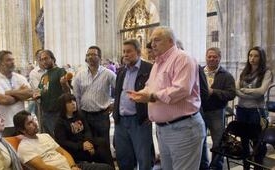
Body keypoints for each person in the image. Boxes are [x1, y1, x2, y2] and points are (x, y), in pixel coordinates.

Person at [128, 26, 206, 170]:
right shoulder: (158, 63)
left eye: (157, 40)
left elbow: (181, 90)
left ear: (170, 41)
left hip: (183, 128)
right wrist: (141, 94)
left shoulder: (183, 58)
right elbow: (150, 86)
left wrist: (151, 96)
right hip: (164, 129)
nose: (152, 44)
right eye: (152, 41)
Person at [14, 110, 113, 170]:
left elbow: (64, 152)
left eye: (34, 120)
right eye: (30, 123)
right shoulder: (24, 147)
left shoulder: (45, 136)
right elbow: (43, 168)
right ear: (22, 130)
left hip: (71, 166)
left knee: (106, 168)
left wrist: (73, 166)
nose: (35, 123)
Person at [112, 39, 153, 170]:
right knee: (123, 158)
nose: (125, 54)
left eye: (129, 51)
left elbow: (154, 93)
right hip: (121, 122)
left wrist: (149, 115)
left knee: (144, 159)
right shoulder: (121, 71)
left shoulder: (149, 69)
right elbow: (118, 95)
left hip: (139, 121)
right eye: (124, 52)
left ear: (139, 52)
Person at [72, 46, 115, 167]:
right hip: (85, 115)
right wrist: (78, 114)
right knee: (88, 144)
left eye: (94, 54)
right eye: (88, 55)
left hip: (101, 115)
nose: (90, 57)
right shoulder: (80, 75)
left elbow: (120, 89)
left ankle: (107, 167)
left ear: (100, 57)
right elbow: (76, 95)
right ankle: (94, 167)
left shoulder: (108, 74)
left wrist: (113, 104)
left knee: (104, 145)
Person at [236, 46, 272, 170]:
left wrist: (245, 90)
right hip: (241, 109)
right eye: (250, 55)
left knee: (257, 142)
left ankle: (258, 167)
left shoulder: (266, 72)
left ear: (261, 57)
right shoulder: (244, 71)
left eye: (256, 56)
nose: (252, 58)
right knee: (244, 141)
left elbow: (261, 91)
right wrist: (250, 93)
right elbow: (236, 89)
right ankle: (246, 166)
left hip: (256, 111)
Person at [199, 47, 236, 170]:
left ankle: (216, 166)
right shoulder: (199, 71)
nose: (211, 59)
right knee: (201, 140)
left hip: (217, 112)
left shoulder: (226, 75)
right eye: (209, 56)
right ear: (206, 57)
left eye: (214, 57)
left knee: (218, 142)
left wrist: (213, 92)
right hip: (200, 112)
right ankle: (203, 165)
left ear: (219, 58)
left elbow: (231, 94)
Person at [54, 93, 114, 168]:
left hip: (85, 143)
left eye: (74, 100)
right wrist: (81, 146)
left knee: (102, 143)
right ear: (63, 106)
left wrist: (88, 142)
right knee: (100, 151)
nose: (73, 103)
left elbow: (87, 130)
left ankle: (111, 167)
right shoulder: (60, 123)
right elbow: (63, 142)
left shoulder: (79, 115)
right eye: (69, 102)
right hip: (75, 149)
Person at [0, 50, 33, 136]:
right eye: (8, 60)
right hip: (5, 123)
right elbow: (3, 100)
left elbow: (30, 93)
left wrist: (8, 92)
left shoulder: (20, 78)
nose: (12, 62)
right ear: (0, 63)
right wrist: (20, 94)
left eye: (13, 60)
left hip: (22, 123)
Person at [34, 50, 71, 136]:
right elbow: (40, 90)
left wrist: (64, 84)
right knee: (48, 140)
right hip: (45, 113)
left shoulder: (60, 71)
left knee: (58, 139)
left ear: (53, 59)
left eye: (46, 58)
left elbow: (67, 91)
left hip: (57, 113)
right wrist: (37, 95)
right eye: (42, 59)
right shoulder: (44, 76)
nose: (44, 61)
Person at [28, 49, 46, 116]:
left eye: (45, 57)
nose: (44, 60)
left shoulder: (50, 70)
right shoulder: (34, 73)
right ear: (38, 59)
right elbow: (38, 89)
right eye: (41, 57)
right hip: (41, 104)